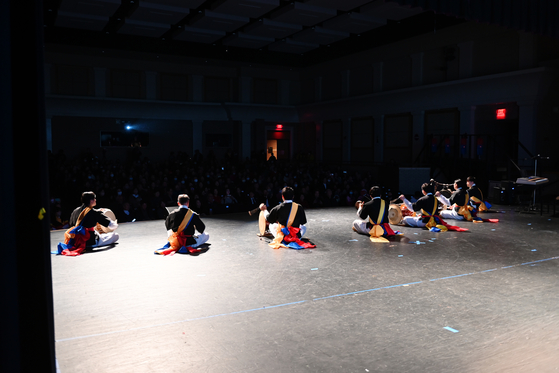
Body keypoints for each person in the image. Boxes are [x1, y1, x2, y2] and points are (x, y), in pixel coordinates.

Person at [56, 191, 119, 256]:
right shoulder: (93, 212)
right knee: (115, 235)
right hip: (90, 241)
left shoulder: (75, 211)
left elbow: (72, 225)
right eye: (94, 198)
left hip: (75, 241)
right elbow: (112, 226)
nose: (95, 200)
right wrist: (115, 223)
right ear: (91, 201)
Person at [399, 182, 468, 232]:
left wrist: (404, 199)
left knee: (405, 219)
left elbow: (412, 208)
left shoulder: (423, 199)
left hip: (424, 222)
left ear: (423, 191)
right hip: (434, 221)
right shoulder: (436, 199)